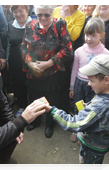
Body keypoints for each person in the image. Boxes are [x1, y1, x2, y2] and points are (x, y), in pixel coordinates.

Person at [43, 54, 109, 170]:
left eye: (91, 80)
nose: (89, 83)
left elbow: (73, 123)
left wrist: (52, 110)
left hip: (92, 148)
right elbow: (105, 116)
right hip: (101, 145)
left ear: (106, 80)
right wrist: (90, 107)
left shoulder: (99, 106)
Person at [21, 5, 73, 138]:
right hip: (34, 72)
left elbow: (67, 48)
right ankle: (35, 121)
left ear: (52, 13)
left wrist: (49, 63)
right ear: (35, 14)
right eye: (39, 15)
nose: (43, 18)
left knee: (52, 100)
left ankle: (50, 124)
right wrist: (30, 63)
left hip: (52, 74)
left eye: (46, 15)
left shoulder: (59, 25)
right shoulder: (29, 25)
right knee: (34, 97)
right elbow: (23, 47)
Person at [69, 17, 109, 143]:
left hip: (95, 86)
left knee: (91, 108)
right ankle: (76, 129)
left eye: (93, 35)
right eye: (87, 35)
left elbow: (105, 75)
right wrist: (71, 86)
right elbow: (74, 70)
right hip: (79, 84)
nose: (89, 39)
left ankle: (86, 130)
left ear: (101, 35)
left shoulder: (106, 53)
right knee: (78, 106)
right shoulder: (79, 51)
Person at [6, 5, 32, 115]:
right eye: (15, 12)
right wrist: (7, 60)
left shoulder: (34, 25)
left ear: (27, 11)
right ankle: (22, 106)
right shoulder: (10, 25)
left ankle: (33, 107)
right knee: (18, 84)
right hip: (15, 60)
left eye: (21, 11)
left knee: (31, 85)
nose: (18, 14)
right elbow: (8, 45)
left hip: (31, 61)